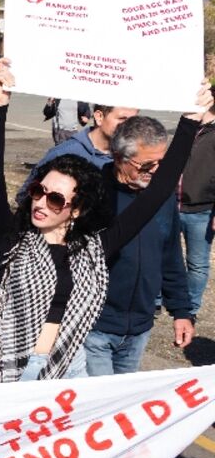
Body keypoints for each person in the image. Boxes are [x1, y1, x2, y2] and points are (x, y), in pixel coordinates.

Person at [0, 61, 211, 458]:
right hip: (7, 379)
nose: (42, 202)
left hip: (70, 381)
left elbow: (159, 189)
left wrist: (187, 125)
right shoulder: (12, 241)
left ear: (77, 207)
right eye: (39, 191)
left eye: (57, 198)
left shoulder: (96, 250)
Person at [82, 115, 195, 376]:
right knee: (101, 407)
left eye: (161, 163)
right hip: (95, 329)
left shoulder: (161, 196)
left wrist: (181, 311)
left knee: (123, 409)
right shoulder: (95, 195)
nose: (156, 171)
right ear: (119, 157)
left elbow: (170, 255)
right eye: (147, 164)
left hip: (139, 329)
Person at [18, 103, 139, 200]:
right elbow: (25, 196)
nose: (130, 126)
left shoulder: (135, 158)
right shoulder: (63, 153)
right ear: (99, 117)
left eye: (134, 120)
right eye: (123, 118)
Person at [178, 106, 215, 313]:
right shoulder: (188, 125)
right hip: (171, 204)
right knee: (160, 256)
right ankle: (155, 300)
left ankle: (190, 309)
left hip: (203, 208)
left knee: (197, 264)